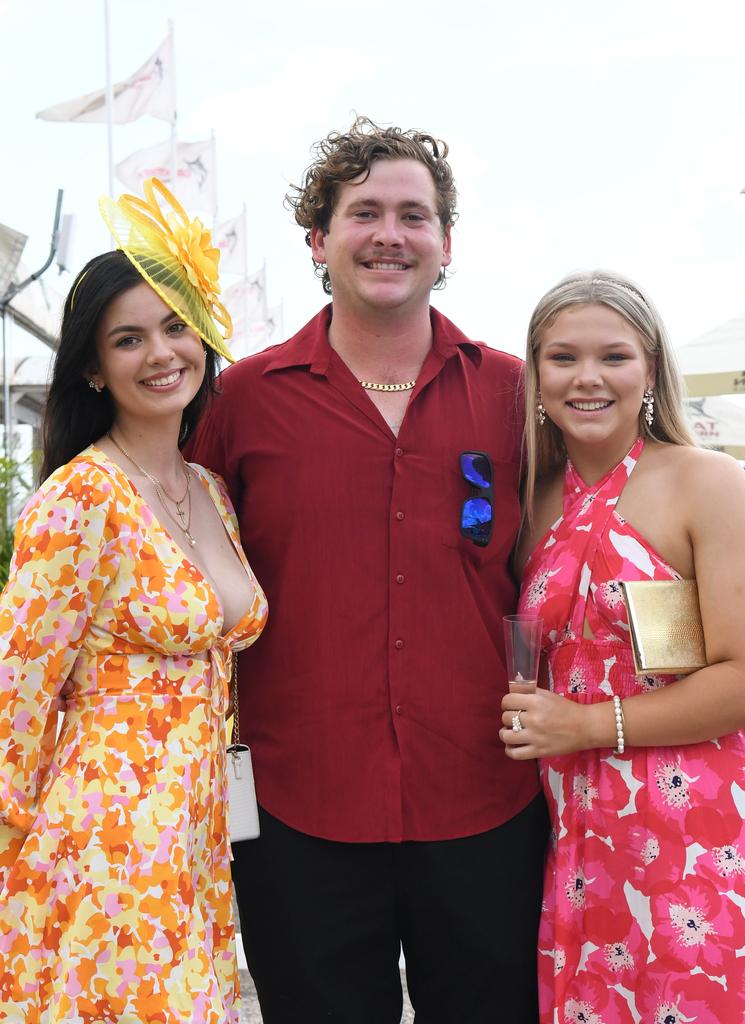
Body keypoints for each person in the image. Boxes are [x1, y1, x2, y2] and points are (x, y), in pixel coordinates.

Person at [187, 116, 549, 1023]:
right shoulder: (240, 400)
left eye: (414, 215)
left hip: (485, 799)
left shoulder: (516, 394)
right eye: (364, 213)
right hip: (297, 809)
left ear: (446, 242)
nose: (391, 233)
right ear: (319, 238)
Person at [0, 179, 267, 1023]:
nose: (162, 353)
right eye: (129, 338)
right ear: (92, 363)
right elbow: (17, 692)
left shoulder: (211, 490)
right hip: (101, 844)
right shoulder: (79, 499)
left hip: (194, 838)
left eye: (175, 326)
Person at [501, 269, 745, 1023]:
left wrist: (588, 725)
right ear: (536, 374)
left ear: (650, 368)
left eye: (614, 357)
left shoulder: (706, 482)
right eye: (562, 358)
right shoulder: (532, 499)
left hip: (701, 825)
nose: (588, 378)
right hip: (578, 828)